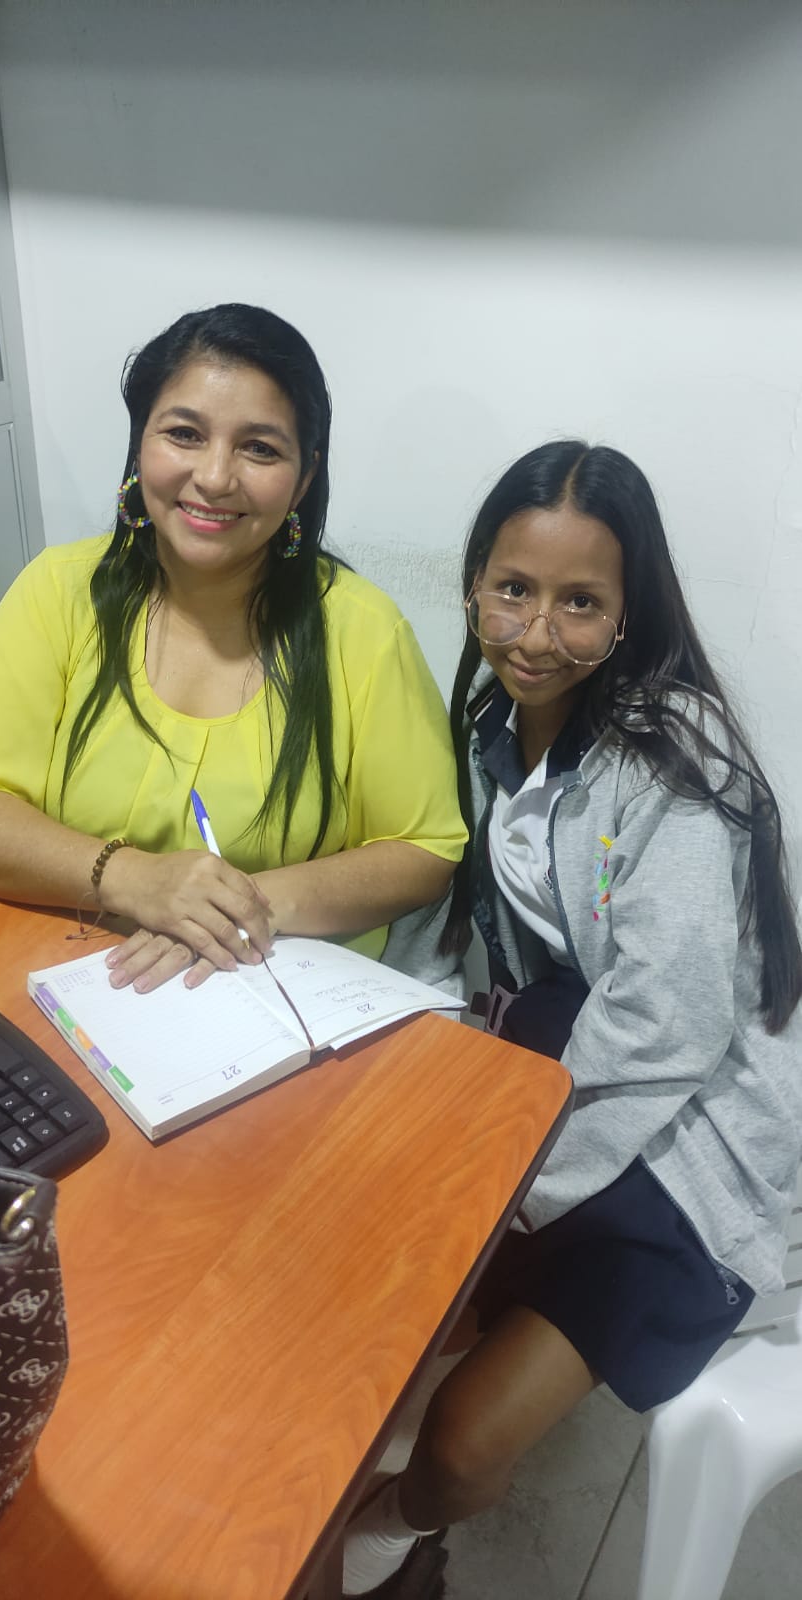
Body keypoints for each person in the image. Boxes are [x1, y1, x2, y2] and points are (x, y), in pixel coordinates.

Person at [341, 441, 802, 1596]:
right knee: (378, 1310)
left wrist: (517, 1191)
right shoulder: (494, 730)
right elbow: (463, 920)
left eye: (580, 602)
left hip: (693, 1154)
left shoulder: (671, 762)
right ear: (472, 585)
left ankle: (392, 1532)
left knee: (460, 1443)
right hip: (570, 1080)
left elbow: (666, 1024)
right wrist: (409, 1048)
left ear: (628, 612)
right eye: (513, 589)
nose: (536, 632)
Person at [0, 305, 466, 989]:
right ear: (139, 443)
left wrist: (233, 908)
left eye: (259, 448)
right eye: (184, 434)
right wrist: (133, 878)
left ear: (303, 476)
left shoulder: (364, 630)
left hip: (277, 988)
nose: (214, 477)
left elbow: (422, 849)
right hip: (69, 972)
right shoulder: (59, 592)